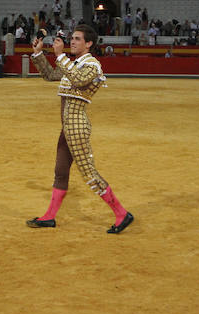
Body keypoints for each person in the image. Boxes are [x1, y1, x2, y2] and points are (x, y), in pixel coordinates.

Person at [26, 24, 134, 234]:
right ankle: (49, 217)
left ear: (89, 43)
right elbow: (50, 75)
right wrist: (39, 52)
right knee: (60, 171)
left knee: (88, 173)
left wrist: (59, 56)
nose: (72, 41)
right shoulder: (74, 64)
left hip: (76, 127)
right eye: (71, 38)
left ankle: (122, 213)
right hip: (67, 128)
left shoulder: (92, 66)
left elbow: (77, 79)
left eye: (77, 39)